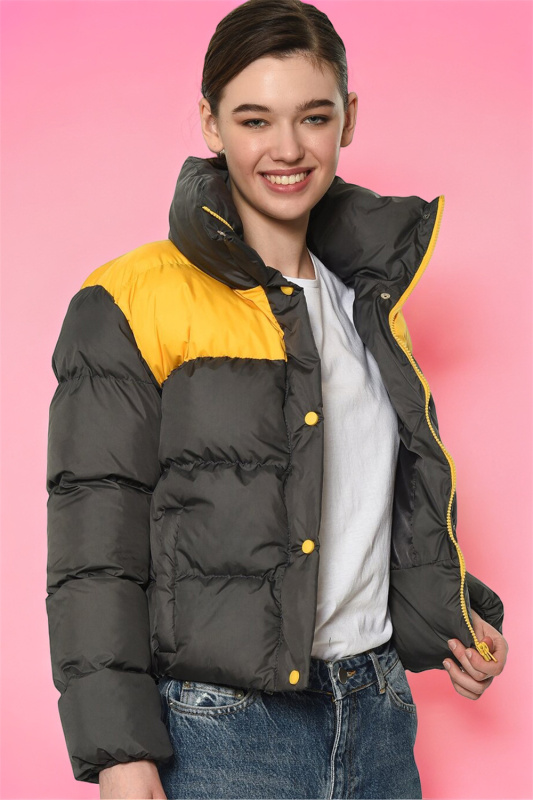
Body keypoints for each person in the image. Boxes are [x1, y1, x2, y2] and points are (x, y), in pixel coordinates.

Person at [45, 1, 508, 798]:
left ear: (347, 118)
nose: (287, 149)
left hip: (378, 714)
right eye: (254, 119)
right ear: (211, 122)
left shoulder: (370, 303)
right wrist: (120, 752)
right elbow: (94, 547)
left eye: (313, 116)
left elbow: (360, 506)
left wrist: (453, 614)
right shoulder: (130, 298)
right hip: (221, 735)